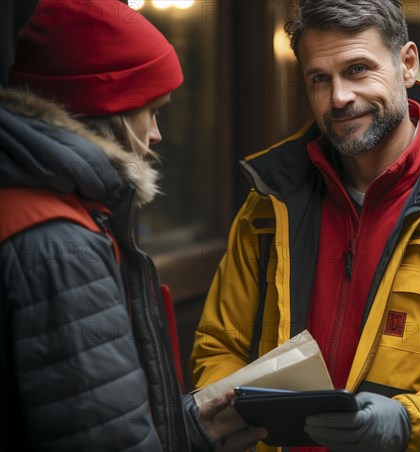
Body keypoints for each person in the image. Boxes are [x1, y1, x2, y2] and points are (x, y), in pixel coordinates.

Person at [190, 0, 420, 451]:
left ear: (407, 64)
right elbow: (219, 345)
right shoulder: (267, 209)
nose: (339, 97)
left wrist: (409, 423)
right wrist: (235, 420)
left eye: (358, 69)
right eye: (319, 79)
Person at [0, 1, 265, 451]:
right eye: (152, 109)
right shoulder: (61, 243)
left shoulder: (48, 212)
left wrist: (185, 428)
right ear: (110, 107)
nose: (157, 133)